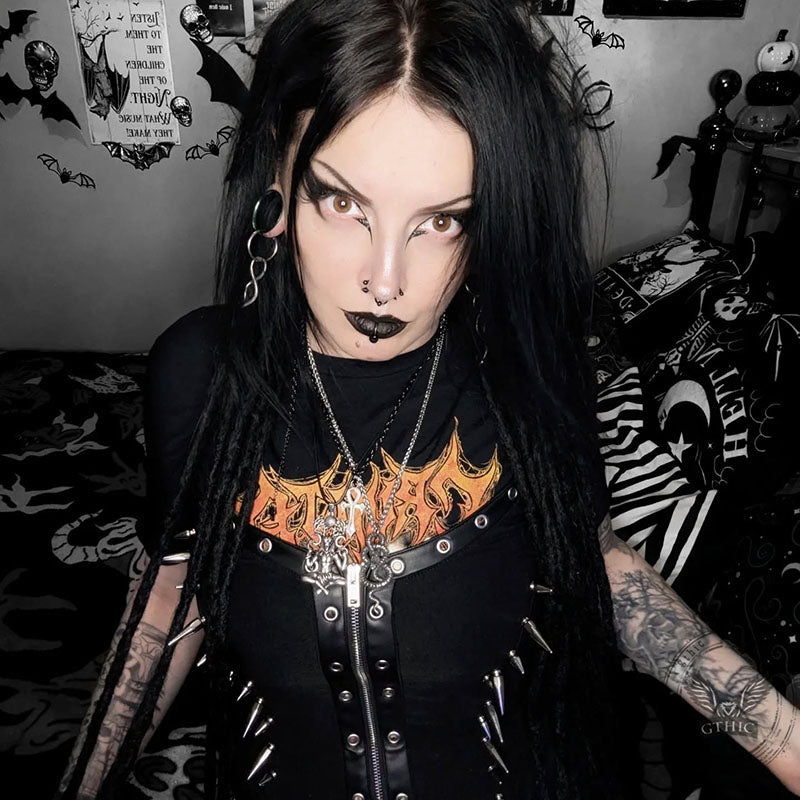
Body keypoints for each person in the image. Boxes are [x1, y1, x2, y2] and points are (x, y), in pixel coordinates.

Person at [56, 0, 800, 798]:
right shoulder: (198, 371)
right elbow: (172, 591)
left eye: (441, 222)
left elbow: (592, 559)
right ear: (277, 174)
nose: (386, 281)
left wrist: (786, 741)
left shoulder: (529, 367)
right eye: (343, 203)